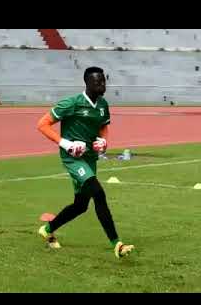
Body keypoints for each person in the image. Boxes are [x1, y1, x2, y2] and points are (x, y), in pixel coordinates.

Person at [37, 66, 134, 259]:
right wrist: (66, 143)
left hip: (90, 160)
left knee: (81, 205)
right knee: (98, 193)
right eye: (98, 82)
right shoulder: (71, 103)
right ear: (88, 83)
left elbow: (103, 127)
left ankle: (47, 229)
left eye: (104, 81)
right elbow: (42, 124)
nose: (102, 85)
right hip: (73, 159)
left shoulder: (103, 105)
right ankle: (117, 244)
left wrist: (104, 143)